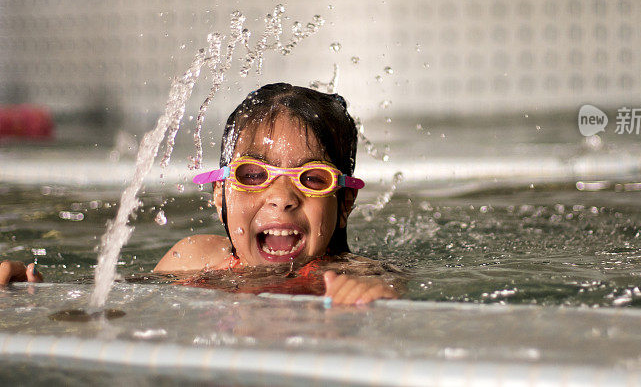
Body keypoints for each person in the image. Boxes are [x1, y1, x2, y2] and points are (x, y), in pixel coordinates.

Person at [2, 83, 401, 306]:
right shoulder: (192, 257)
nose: (282, 197)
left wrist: (376, 301)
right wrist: (34, 289)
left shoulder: (355, 276)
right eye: (252, 174)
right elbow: (115, 299)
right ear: (220, 195)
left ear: (344, 204)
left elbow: (404, 311)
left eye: (312, 178)